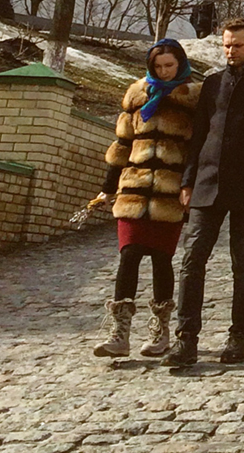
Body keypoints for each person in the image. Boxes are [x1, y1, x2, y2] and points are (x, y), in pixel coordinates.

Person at [164, 19, 244, 366]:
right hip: (207, 182)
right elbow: (198, 135)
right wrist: (188, 181)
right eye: (226, 45)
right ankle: (186, 339)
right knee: (192, 260)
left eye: (236, 45)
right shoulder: (213, 83)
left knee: (242, 263)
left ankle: (239, 336)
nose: (230, 51)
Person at [93, 39, 201, 359]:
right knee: (129, 256)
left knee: (160, 259)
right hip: (133, 189)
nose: (164, 71)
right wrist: (108, 186)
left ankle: (160, 330)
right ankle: (119, 333)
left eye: (169, 65)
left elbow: (198, 148)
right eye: (158, 66)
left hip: (171, 192)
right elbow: (122, 143)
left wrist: (190, 185)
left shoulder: (193, 97)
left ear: (179, 64)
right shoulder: (137, 94)